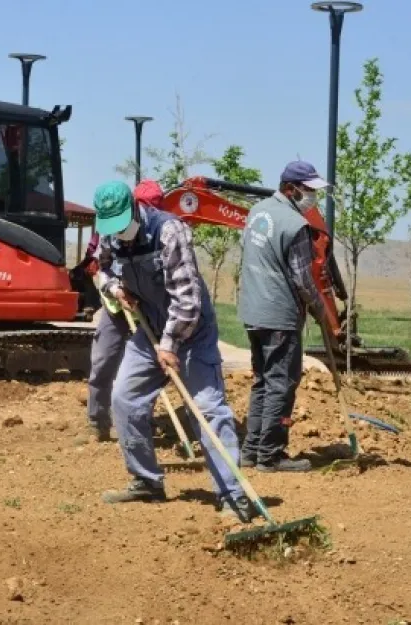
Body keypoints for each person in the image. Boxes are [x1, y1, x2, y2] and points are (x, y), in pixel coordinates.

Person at [93, 180, 253, 522]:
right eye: (111, 227)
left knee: (208, 409)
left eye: (122, 224)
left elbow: (188, 300)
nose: (117, 233)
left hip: (191, 332)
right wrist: (115, 287)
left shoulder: (170, 232)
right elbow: (101, 268)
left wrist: (170, 345)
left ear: (134, 209)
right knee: (124, 397)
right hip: (150, 328)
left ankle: (233, 495)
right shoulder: (109, 234)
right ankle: (147, 480)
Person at [237, 161, 334, 473]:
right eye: (309, 191)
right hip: (279, 314)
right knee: (282, 382)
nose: (312, 197)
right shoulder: (295, 225)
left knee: (263, 380)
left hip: (253, 311)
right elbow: (304, 280)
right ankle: (271, 454)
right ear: (291, 188)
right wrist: (323, 312)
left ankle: (251, 450)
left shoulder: (256, 212)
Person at [83, 180, 164, 443]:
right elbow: (100, 267)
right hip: (116, 304)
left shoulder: (160, 230)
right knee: (103, 360)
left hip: (148, 307)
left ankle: (141, 419)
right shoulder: (107, 229)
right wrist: (117, 291)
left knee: (151, 365)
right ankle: (98, 421)